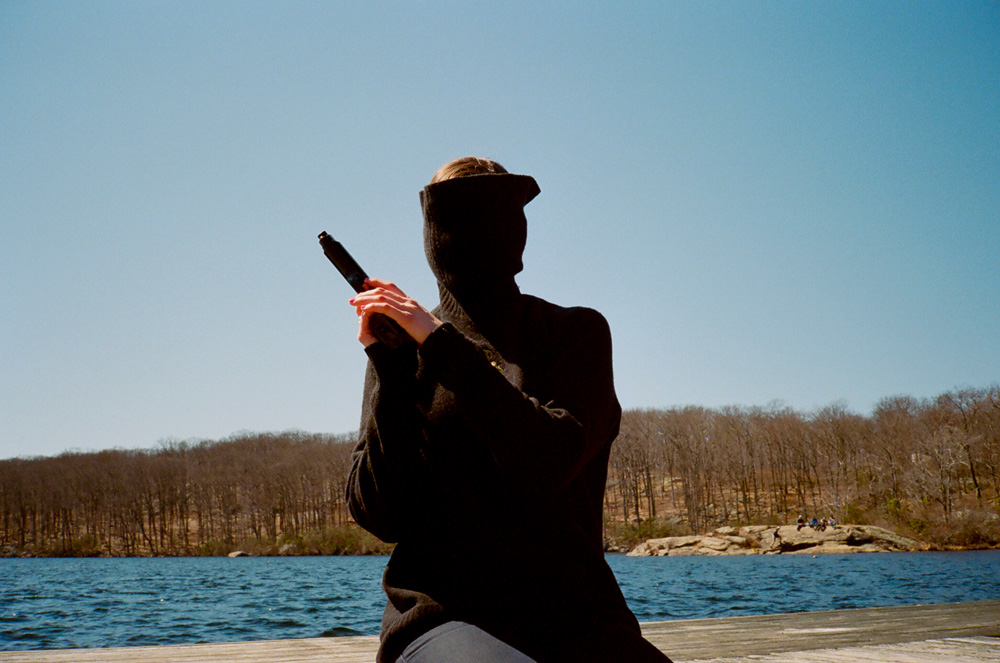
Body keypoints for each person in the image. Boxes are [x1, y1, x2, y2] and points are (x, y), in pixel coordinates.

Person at [345, 157, 671, 663]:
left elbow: (548, 460)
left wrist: (441, 343)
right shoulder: (403, 353)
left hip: (578, 612)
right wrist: (392, 376)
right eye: (454, 217)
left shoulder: (574, 334)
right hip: (445, 614)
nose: (472, 237)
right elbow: (382, 514)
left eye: (489, 215)